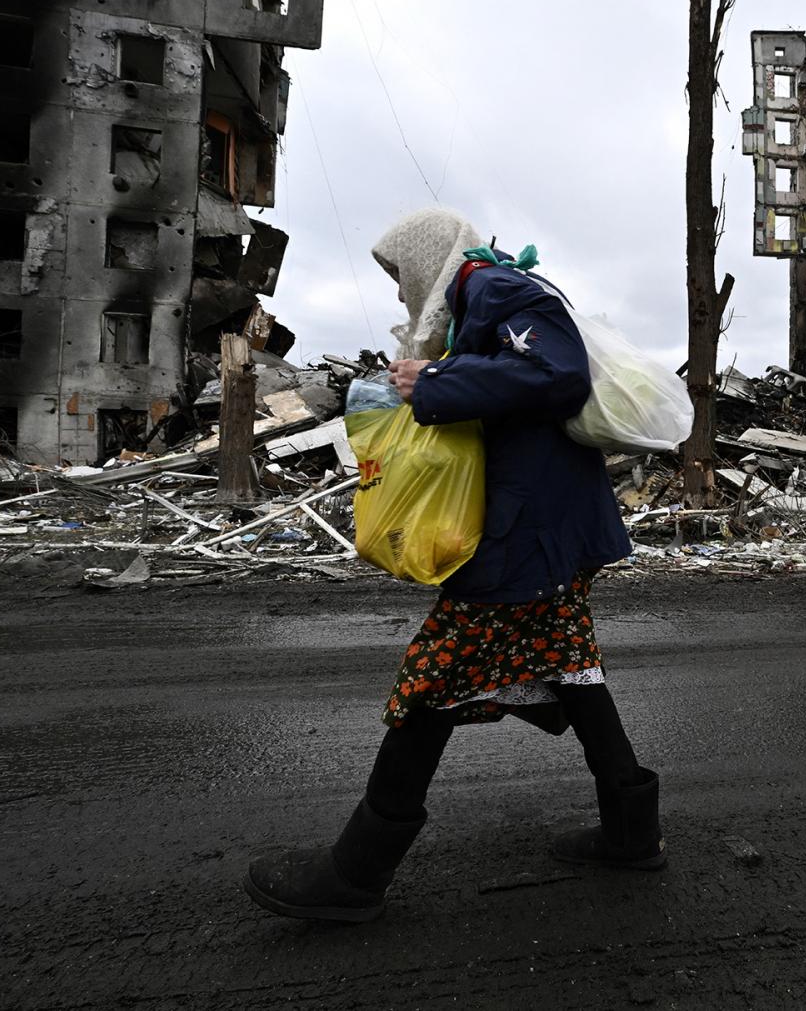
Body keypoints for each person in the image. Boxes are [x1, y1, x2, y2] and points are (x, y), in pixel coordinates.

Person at [244, 208, 662, 924]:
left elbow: (556, 372)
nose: (404, 297)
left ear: (426, 264)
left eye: (401, 278)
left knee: (434, 677)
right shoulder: (493, 292)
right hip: (551, 528)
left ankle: (356, 869)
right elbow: (521, 386)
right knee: (573, 666)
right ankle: (631, 830)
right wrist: (444, 373)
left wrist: (435, 383)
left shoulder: (492, 288)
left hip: (525, 534)